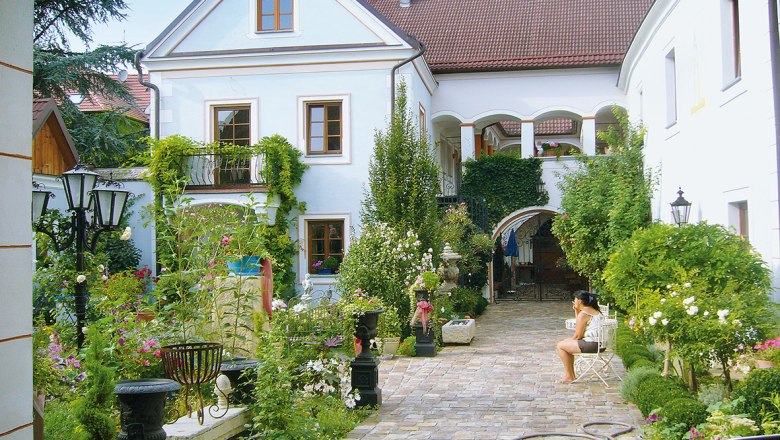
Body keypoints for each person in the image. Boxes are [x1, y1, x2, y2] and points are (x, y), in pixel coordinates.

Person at [556, 290, 602, 383]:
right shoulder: (593, 310)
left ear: (580, 301)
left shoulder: (584, 313)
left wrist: (568, 341)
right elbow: (580, 324)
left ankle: (570, 376)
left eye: (575, 299)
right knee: (565, 344)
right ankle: (570, 375)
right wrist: (577, 311)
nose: (574, 301)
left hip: (592, 344)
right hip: (600, 343)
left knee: (560, 346)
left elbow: (578, 336)